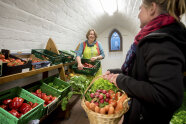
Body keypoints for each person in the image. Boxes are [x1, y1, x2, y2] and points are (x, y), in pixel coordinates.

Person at [103, 0, 186, 124]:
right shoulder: (156, 36)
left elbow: (166, 95)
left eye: (140, 8)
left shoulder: (161, 41)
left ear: (152, 8)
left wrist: (121, 80)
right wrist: (118, 73)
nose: (137, 15)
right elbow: (144, 75)